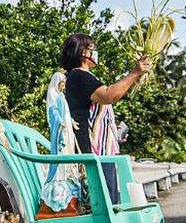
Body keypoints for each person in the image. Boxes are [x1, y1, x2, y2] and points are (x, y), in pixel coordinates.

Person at [60, 33, 150, 205]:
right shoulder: (78, 75)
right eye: (91, 48)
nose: (95, 52)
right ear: (81, 52)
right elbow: (108, 95)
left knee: (111, 200)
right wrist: (135, 72)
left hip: (103, 152)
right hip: (95, 154)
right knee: (106, 203)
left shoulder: (86, 77)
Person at [36, 71, 82, 218]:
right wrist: (59, 121)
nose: (63, 85)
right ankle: (58, 178)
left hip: (67, 129)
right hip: (60, 130)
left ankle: (66, 177)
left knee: (69, 151)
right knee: (61, 152)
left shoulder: (61, 95)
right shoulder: (52, 93)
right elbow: (53, 110)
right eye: (62, 83)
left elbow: (66, 112)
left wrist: (71, 122)